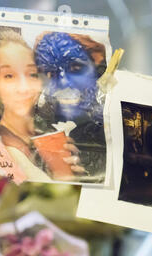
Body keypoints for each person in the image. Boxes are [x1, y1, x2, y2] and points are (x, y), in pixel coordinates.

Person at [0, 27, 82, 181]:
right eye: (9, 76)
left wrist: (65, 178)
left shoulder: (43, 129)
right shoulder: (3, 149)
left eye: (31, 74)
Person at [34, 32, 107, 182]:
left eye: (76, 68)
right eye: (51, 72)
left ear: (98, 71)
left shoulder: (117, 129)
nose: (63, 82)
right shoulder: (35, 131)